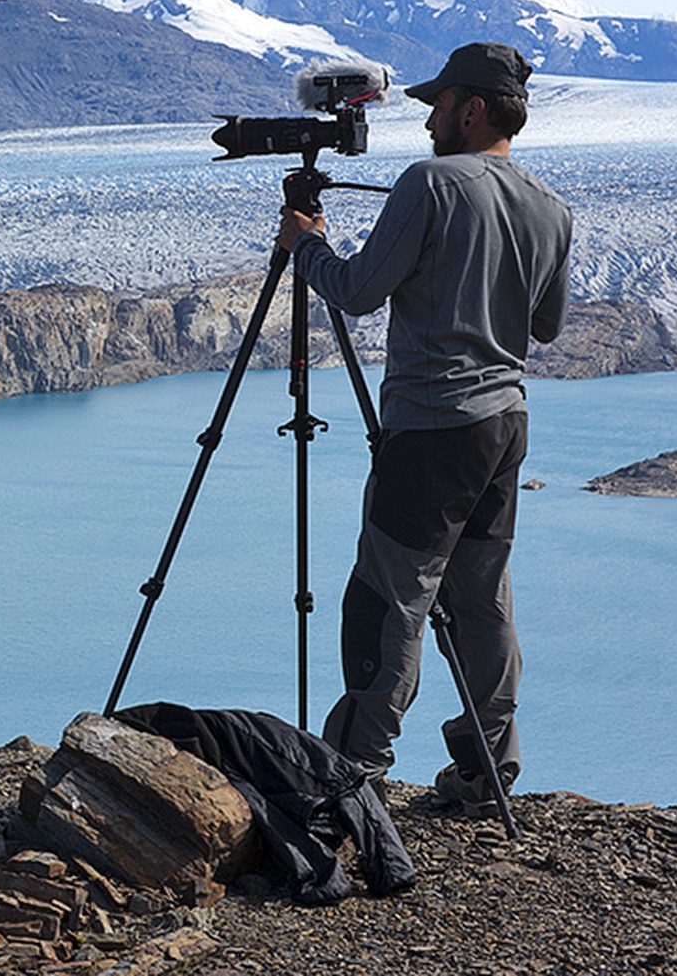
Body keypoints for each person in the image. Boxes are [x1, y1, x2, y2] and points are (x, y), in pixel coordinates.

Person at [274, 42, 572, 815]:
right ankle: (486, 770)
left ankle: (352, 778)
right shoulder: (549, 204)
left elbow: (358, 290)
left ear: (471, 108)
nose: (430, 118)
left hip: (433, 428)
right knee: (480, 597)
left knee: (388, 597)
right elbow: (545, 324)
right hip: (504, 423)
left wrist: (303, 243)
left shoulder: (431, 182)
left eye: (438, 104)